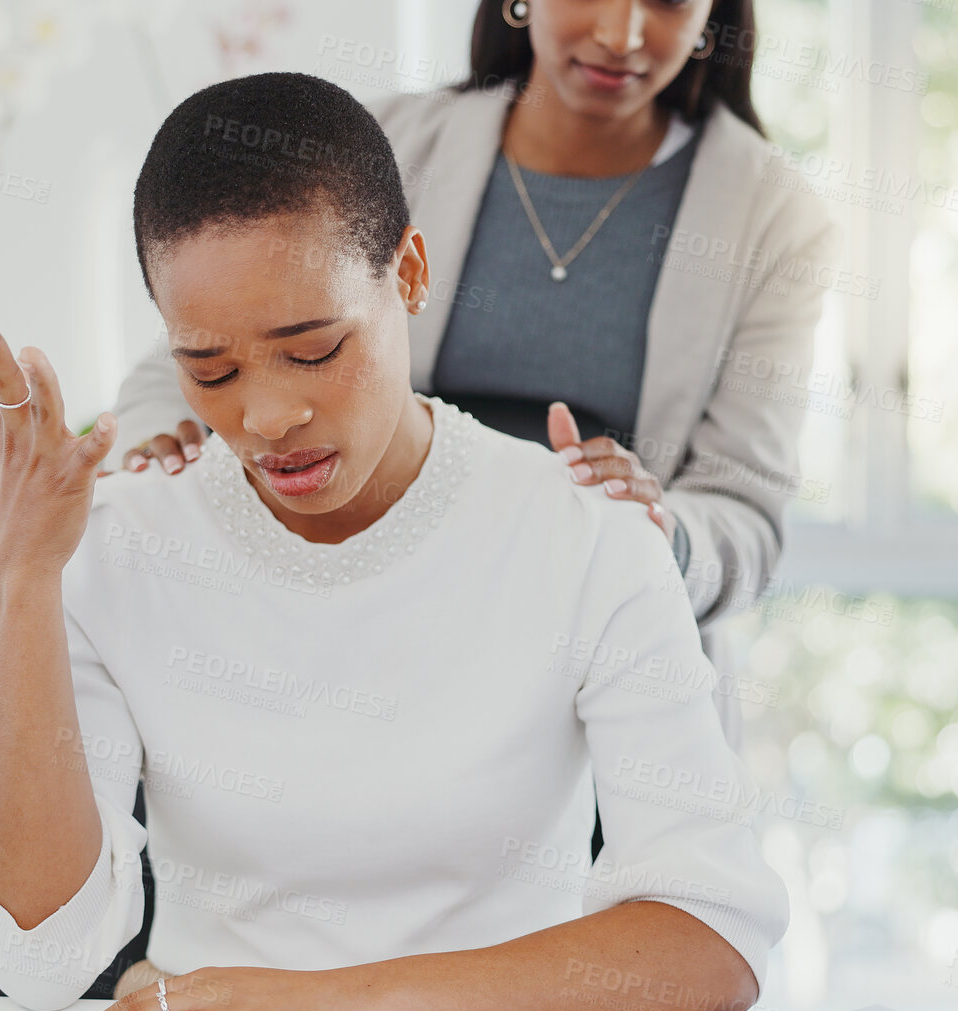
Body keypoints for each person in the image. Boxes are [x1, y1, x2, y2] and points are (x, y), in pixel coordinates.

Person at [0, 72, 787, 1011]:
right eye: (208, 369)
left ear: (410, 274)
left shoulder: (586, 537)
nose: (266, 416)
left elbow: (711, 937)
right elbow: (43, 958)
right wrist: (18, 576)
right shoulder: (117, 546)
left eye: (313, 349)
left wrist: (327, 1005)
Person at [109, 0, 834, 713]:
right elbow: (200, 348)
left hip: (594, 671)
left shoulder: (770, 216)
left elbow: (746, 511)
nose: (621, 33)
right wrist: (155, 455)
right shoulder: (387, 143)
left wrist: (658, 537)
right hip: (359, 641)